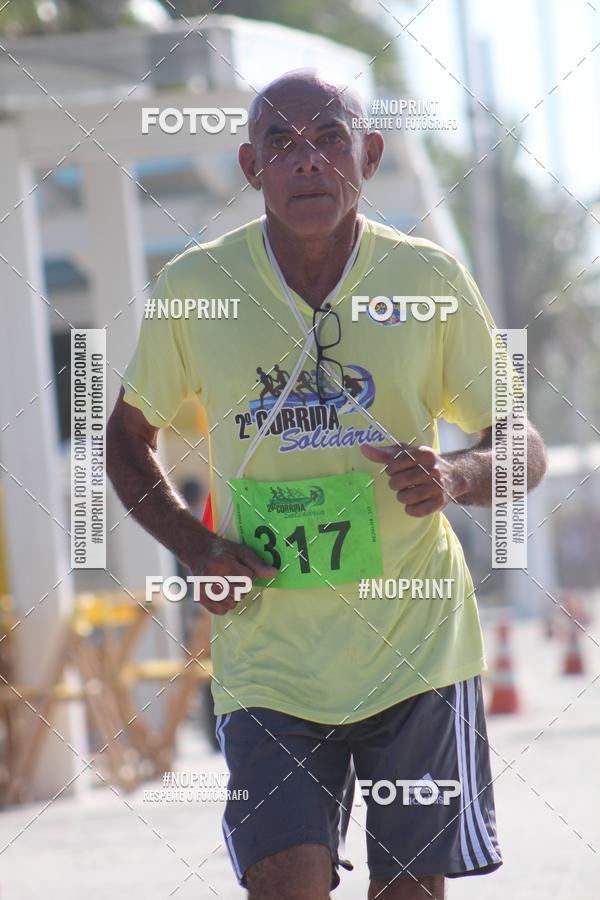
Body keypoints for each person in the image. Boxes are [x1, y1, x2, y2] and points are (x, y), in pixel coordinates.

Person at [107, 69, 547, 900]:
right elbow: (127, 437)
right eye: (281, 143)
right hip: (270, 659)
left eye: (329, 138)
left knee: (408, 891)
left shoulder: (429, 282)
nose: (306, 160)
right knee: (285, 884)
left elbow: (522, 445)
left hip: (417, 651)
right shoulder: (197, 289)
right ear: (251, 167)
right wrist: (198, 546)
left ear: (369, 155)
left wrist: (456, 473)